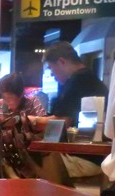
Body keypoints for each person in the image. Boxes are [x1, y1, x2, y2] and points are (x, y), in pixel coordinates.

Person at [33, 41, 108, 178]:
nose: (52, 74)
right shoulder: (89, 79)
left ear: (61, 61)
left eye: (51, 68)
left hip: (84, 160)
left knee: (29, 164)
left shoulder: (78, 81)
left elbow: (61, 122)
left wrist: (32, 121)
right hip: (95, 158)